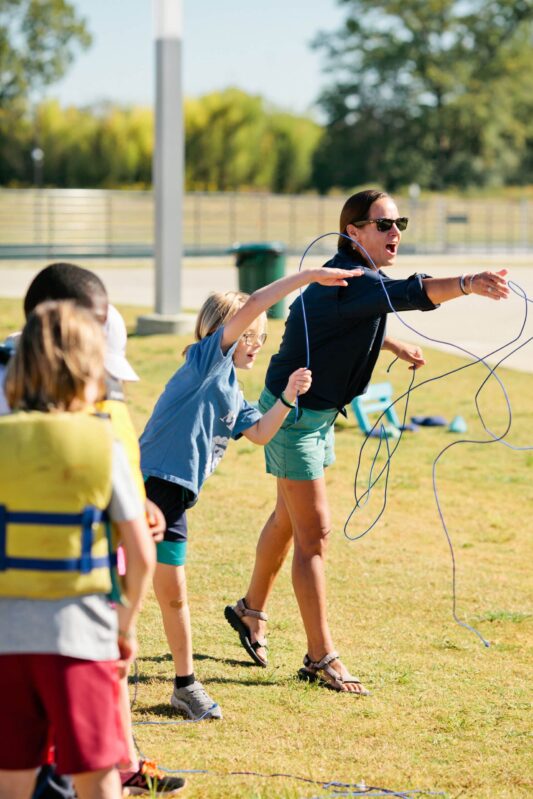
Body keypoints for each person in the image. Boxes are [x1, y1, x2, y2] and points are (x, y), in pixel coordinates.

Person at [225, 188, 509, 694]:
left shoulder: (349, 278)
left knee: (288, 520)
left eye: (400, 222)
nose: (395, 232)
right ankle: (320, 657)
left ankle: (249, 611)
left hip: (311, 411)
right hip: (294, 414)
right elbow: (407, 294)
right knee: (315, 536)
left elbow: (353, 316)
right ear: (352, 232)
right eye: (383, 224)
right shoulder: (349, 280)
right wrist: (468, 282)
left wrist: (392, 341)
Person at [140, 265, 362, 719]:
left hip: (176, 499)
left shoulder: (229, 389)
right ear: (227, 333)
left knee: (172, 595)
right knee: (126, 588)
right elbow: (258, 301)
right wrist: (312, 276)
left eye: (259, 337)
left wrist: (286, 396)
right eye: (251, 335)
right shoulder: (207, 362)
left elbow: (260, 433)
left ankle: (183, 688)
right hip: (149, 489)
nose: (257, 343)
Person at [0, 263, 182, 796]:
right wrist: (122, 629)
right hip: (81, 636)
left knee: (13, 775)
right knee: (98, 771)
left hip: (8, 637)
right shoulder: (99, 440)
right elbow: (143, 558)